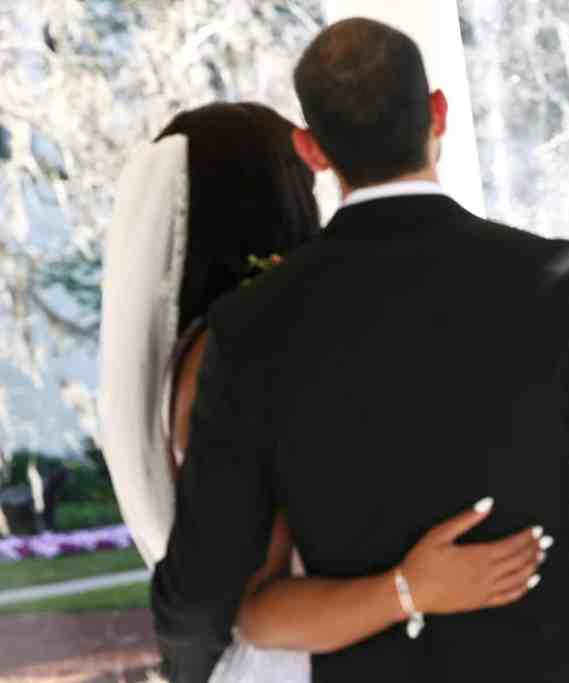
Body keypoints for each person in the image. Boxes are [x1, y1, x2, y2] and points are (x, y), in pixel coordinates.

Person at [151, 18, 569, 683]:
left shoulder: (248, 329)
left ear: (312, 150)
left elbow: (199, 595)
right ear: (438, 113)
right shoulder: (563, 283)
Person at [99, 102, 545, 683]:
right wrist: (412, 586)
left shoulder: (206, 349)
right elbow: (262, 596)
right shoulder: (240, 349)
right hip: (311, 655)